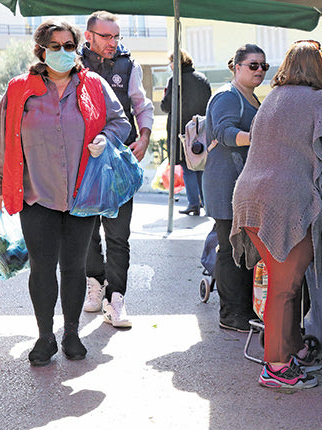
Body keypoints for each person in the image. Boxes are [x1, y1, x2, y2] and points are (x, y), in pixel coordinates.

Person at [0, 19, 131, 366]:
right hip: (36, 195)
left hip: (83, 195)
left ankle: (72, 333)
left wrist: (104, 139)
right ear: (41, 50)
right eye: (55, 46)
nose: (63, 52)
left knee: (75, 267)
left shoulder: (93, 84)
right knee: (42, 267)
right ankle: (45, 336)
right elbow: (1, 140)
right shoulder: (20, 89)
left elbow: (120, 121)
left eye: (69, 46)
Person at [230, 40, 322, 389]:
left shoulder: (272, 99)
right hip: (288, 204)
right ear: (319, 69)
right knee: (284, 287)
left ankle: (294, 348)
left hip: (249, 199)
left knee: (285, 281)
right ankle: (276, 367)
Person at [80, 10, 155, 328]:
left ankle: (117, 300)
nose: (113, 43)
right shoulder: (71, 63)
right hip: (82, 163)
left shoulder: (129, 64)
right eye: (106, 36)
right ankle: (95, 284)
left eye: (116, 36)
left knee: (119, 235)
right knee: (85, 232)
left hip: (119, 162)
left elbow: (141, 103)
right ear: (89, 37)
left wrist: (146, 135)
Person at [203, 44, 267, 333]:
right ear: (236, 67)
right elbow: (224, 132)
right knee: (230, 249)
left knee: (243, 249)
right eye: (253, 65)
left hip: (242, 185)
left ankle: (243, 309)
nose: (260, 71)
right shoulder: (227, 97)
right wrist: (259, 137)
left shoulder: (250, 97)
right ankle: (230, 314)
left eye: (264, 66)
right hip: (225, 183)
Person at [160, 49, 212, 216]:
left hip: (181, 130)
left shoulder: (175, 80)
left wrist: (164, 96)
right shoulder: (202, 78)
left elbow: (166, 106)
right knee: (201, 165)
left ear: (176, 62)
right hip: (201, 128)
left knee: (188, 166)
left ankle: (193, 204)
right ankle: (206, 203)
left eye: (170, 62)